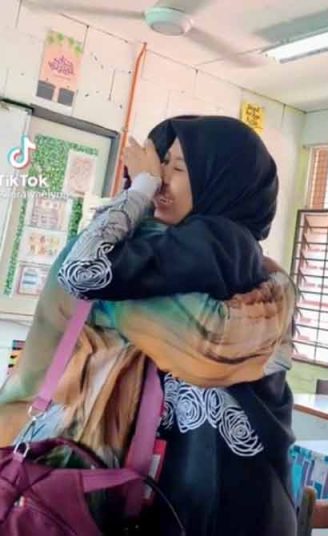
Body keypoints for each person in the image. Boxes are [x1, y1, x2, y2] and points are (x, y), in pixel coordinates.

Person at [0, 115, 298, 535]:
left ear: (221, 182)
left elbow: (90, 272)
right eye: (160, 165)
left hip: (213, 496)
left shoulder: (227, 259)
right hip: (111, 487)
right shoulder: (271, 287)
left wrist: (137, 191)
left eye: (178, 168)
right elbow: (84, 273)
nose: (160, 179)